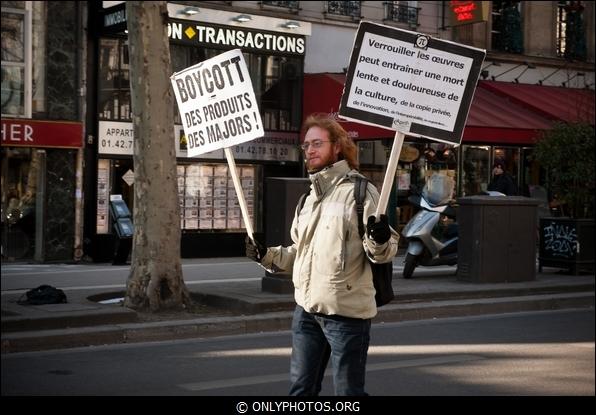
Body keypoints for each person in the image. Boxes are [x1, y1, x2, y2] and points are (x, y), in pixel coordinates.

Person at [246, 114, 399, 396]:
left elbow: (383, 253)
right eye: (306, 146)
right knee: (301, 391)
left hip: (347, 315)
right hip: (306, 311)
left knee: (348, 394)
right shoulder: (308, 198)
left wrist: (379, 238)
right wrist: (265, 255)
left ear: (338, 146)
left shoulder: (361, 192)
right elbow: (298, 253)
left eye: (317, 143)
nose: (310, 150)